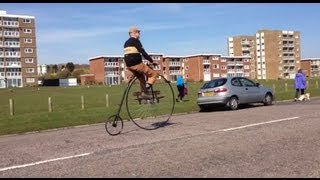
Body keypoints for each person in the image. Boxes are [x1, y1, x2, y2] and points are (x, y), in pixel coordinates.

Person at [123, 26, 158, 97]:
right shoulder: (136, 41)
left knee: (142, 78)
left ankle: (143, 94)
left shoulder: (126, 43)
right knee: (154, 75)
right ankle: (147, 88)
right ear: (134, 33)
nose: (139, 34)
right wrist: (151, 61)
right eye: (138, 32)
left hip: (129, 66)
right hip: (137, 65)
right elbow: (143, 53)